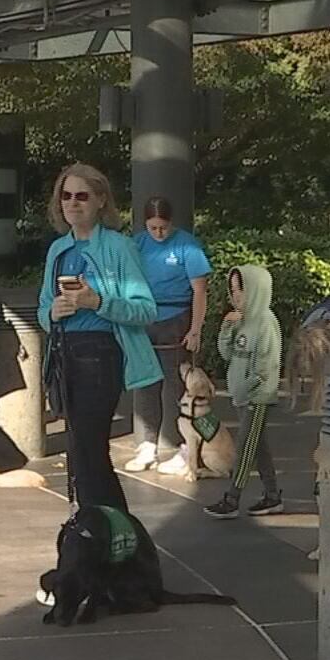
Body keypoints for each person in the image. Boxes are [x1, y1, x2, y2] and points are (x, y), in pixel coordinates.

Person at [36, 162, 160, 517]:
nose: (72, 203)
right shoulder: (58, 250)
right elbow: (44, 308)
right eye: (66, 196)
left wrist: (98, 302)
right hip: (64, 354)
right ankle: (94, 527)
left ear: (100, 200)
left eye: (81, 196)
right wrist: (53, 312)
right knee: (78, 450)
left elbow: (146, 309)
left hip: (101, 354)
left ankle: (112, 532)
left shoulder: (119, 248)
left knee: (90, 449)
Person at [125, 196, 211, 476]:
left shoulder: (187, 245)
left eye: (163, 227)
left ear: (171, 223)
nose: (158, 233)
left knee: (177, 385)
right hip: (145, 316)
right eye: (153, 228)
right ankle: (147, 445)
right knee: (146, 382)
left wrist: (195, 328)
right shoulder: (138, 243)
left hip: (176, 317)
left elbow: (199, 290)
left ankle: (186, 447)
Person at [204, 264, 283, 520]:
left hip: (257, 397)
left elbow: (265, 366)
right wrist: (226, 329)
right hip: (241, 395)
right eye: (233, 290)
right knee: (258, 446)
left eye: (242, 290)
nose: (236, 296)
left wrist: (244, 388)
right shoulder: (242, 321)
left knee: (245, 447)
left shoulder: (266, 323)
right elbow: (227, 354)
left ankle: (232, 498)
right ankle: (273, 496)